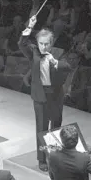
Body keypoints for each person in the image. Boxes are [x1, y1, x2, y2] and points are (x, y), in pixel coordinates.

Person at [18, 15, 71, 171]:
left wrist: (56, 62)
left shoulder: (57, 53)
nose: (43, 47)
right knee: (41, 127)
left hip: (55, 94)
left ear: (51, 43)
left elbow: (68, 66)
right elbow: (22, 43)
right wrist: (29, 26)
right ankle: (42, 159)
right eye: (41, 44)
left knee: (56, 125)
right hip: (40, 95)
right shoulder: (33, 52)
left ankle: (55, 155)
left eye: (46, 44)